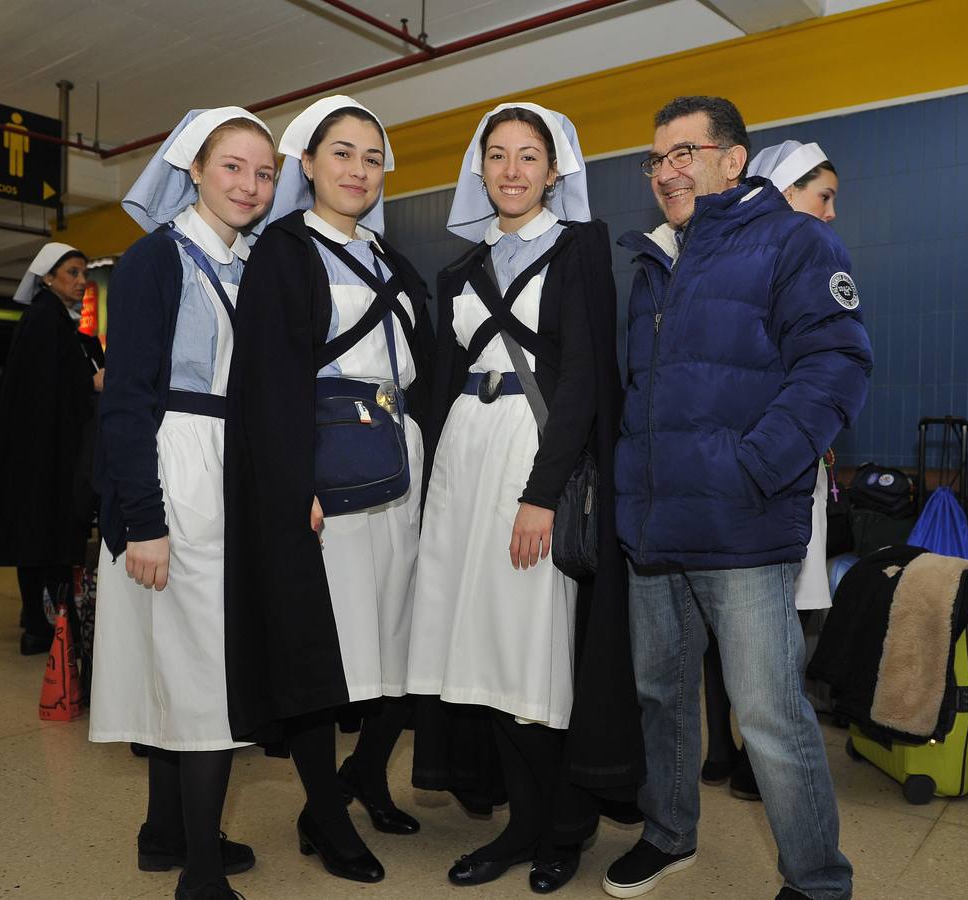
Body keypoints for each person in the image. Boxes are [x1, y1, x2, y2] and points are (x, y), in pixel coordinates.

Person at [605, 97, 871, 900]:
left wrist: (756, 469)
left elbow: (837, 363)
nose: (667, 170)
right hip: (654, 527)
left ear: (735, 160)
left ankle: (817, 879)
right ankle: (669, 832)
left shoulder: (794, 240)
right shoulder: (656, 259)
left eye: (685, 151)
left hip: (742, 524)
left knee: (764, 713)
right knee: (661, 695)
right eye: (656, 159)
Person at [406, 102, 642, 893]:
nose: (511, 170)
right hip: (464, 463)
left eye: (529, 156)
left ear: (555, 170)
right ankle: (519, 825)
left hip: (533, 462)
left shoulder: (579, 248)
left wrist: (541, 494)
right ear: (481, 170)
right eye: (498, 156)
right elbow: (441, 385)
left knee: (532, 651)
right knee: (480, 652)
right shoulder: (458, 272)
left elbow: (580, 381)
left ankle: (563, 826)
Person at [223, 95, 434, 886]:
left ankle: (367, 776)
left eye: (372, 157)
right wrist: (292, 483)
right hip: (326, 470)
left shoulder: (388, 256)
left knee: (397, 639)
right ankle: (324, 811)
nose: (358, 169)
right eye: (341, 153)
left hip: (396, 459)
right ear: (305, 165)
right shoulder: (283, 250)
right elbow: (271, 379)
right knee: (327, 647)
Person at [89, 106, 278, 900]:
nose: (250, 184)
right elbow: (127, 400)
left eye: (264, 172)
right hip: (176, 474)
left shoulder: (251, 263)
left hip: (224, 471)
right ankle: (201, 874)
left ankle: (165, 833)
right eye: (231, 166)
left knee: (182, 663)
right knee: (204, 673)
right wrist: (145, 520)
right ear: (192, 170)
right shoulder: (153, 261)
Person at [701, 139, 841, 803]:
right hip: (763, 476)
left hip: (763, 468)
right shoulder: (776, 268)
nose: (833, 213)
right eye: (825, 196)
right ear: (786, 195)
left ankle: (734, 754)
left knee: (751, 621)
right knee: (767, 624)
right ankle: (757, 760)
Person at [0, 242, 105, 655]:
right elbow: (47, 388)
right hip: (43, 461)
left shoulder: (54, 320)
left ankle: (40, 621)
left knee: (41, 541)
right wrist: (90, 382)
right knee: (45, 543)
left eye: (83, 274)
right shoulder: (44, 320)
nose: (80, 282)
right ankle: (45, 630)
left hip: (44, 456)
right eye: (72, 273)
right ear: (46, 278)